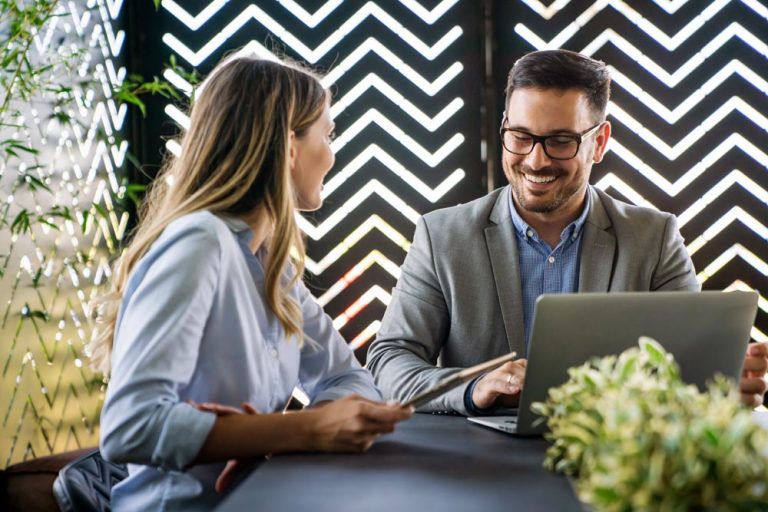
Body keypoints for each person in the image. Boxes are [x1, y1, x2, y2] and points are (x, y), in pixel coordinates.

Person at [366, 49, 768, 415]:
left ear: (599, 142)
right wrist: (474, 388)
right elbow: (390, 361)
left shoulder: (654, 237)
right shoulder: (442, 236)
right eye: (521, 137)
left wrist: (718, 385)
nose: (536, 161)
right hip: (479, 468)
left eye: (561, 141)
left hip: (612, 463)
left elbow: (687, 365)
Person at [90, 56, 412, 511]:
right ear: (290, 146)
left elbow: (349, 377)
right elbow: (129, 426)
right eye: (329, 134)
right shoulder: (200, 244)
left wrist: (270, 439)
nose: (333, 154)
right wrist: (301, 430)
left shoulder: (272, 265)